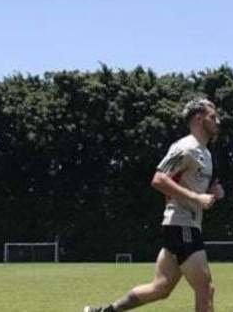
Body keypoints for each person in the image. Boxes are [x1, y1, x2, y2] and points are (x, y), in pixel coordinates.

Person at [85, 98, 225, 312]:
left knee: (161, 288)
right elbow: (159, 179)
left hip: (186, 225)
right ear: (199, 119)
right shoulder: (185, 147)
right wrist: (197, 198)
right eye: (213, 117)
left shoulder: (205, 153)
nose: (218, 121)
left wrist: (212, 193)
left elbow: (190, 190)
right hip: (182, 225)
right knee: (205, 288)